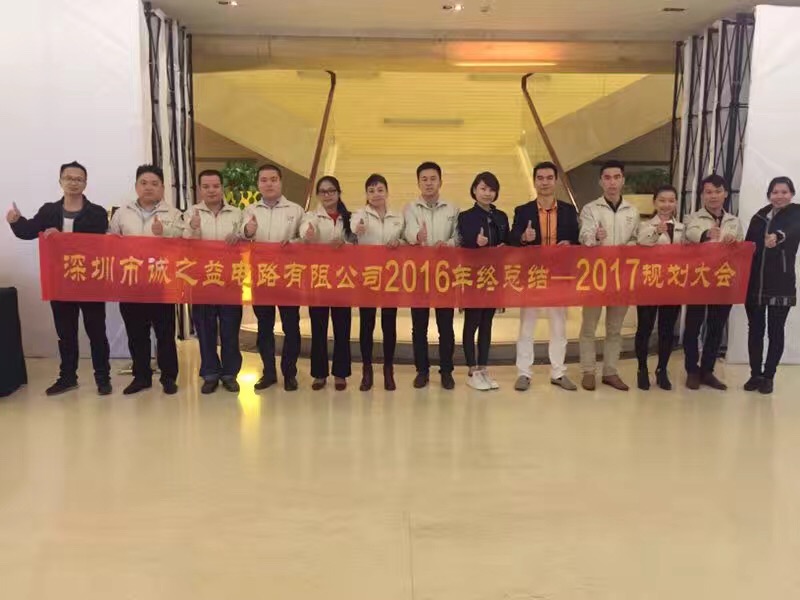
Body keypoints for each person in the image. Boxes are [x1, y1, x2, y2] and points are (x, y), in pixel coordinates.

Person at [7, 161, 111, 396]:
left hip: (90, 282)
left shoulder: (96, 212)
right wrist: (15, 221)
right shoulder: (49, 211)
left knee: (97, 332)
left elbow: (95, 243)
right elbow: (29, 231)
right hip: (60, 282)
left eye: (78, 179)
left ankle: (103, 378)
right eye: (69, 178)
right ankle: (67, 377)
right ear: (60, 181)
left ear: (85, 183)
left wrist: (61, 236)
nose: (73, 182)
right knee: (66, 334)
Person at [109, 164, 183, 395]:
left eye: (154, 183)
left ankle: (168, 378)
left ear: (162, 188)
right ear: (136, 186)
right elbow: (110, 241)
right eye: (144, 183)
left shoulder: (173, 214)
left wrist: (165, 234)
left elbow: (184, 243)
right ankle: (141, 377)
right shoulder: (122, 213)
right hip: (131, 282)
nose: (148, 187)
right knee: (136, 333)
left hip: (161, 281)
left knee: (165, 333)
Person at [510, 161, 579, 393]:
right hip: (533, 276)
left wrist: (569, 243)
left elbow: (577, 240)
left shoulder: (569, 210)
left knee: (558, 326)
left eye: (549, 178)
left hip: (558, 276)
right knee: (527, 326)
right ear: (534, 181)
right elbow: (512, 240)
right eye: (540, 178)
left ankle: (558, 373)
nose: (545, 182)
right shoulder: (523, 211)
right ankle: (523, 373)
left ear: (556, 181)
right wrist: (523, 237)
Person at [578, 160, 640, 391]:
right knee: (589, 327)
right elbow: (583, 236)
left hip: (621, 277)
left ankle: (610, 371)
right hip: (595, 276)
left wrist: (629, 248)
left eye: (616, 177)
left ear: (623, 180)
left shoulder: (632, 211)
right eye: (607, 177)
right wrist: (595, 237)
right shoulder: (590, 209)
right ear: (600, 182)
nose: (612, 182)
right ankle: (588, 371)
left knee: (615, 329)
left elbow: (636, 238)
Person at [241, 164, 304, 392]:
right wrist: (248, 230)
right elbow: (241, 236)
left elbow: (305, 239)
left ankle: (289, 373)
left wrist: (295, 242)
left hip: (289, 277)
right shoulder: (250, 210)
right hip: (262, 276)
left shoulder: (295, 210)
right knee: (264, 327)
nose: (269, 184)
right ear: (258, 184)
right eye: (264, 180)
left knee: (291, 327)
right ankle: (268, 372)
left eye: (273, 179)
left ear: (280, 182)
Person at [184, 169, 243, 394]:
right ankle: (210, 373)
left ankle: (229, 374)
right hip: (202, 281)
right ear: (200, 189)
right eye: (206, 187)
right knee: (205, 330)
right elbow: (183, 243)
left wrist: (241, 236)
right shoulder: (191, 213)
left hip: (230, 280)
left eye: (216, 186)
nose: (211, 190)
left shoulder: (237, 213)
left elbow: (249, 240)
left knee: (230, 329)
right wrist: (193, 228)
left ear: (222, 188)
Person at [683, 174, 744, 390]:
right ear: (702, 195)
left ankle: (707, 370)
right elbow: (689, 236)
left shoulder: (734, 221)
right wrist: (706, 233)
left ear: (726, 193)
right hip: (698, 279)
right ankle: (692, 370)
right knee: (693, 327)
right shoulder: (691, 218)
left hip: (722, 281)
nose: (713, 196)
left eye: (718, 192)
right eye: (708, 192)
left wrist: (734, 242)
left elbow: (742, 251)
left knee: (716, 327)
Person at [403, 161, 460, 390]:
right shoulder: (411, 208)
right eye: (424, 179)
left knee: (446, 326)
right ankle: (422, 371)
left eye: (433, 179)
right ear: (418, 183)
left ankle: (446, 371)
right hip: (419, 275)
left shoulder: (452, 209)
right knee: (419, 327)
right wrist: (418, 236)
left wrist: (448, 244)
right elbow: (407, 232)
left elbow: (459, 236)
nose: (429, 183)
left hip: (444, 276)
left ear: (440, 182)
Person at [743, 176, 800, 394]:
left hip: (781, 282)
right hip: (755, 282)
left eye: (784, 192)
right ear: (769, 195)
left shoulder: (796, 213)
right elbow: (748, 246)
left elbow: (793, 230)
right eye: (775, 192)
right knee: (755, 330)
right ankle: (755, 374)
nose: (779, 196)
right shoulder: (759, 217)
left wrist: (777, 236)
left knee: (776, 331)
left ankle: (769, 376)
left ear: (791, 194)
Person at [300, 176, 355, 391]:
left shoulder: (350, 218)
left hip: (343, 280)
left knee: (342, 328)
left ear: (338, 193)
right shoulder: (311, 216)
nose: (327, 195)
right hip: (319, 280)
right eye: (323, 191)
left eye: (331, 191)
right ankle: (319, 373)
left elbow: (358, 245)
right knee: (318, 328)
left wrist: (345, 243)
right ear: (318, 195)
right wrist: (308, 234)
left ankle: (341, 373)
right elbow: (304, 233)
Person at [352, 174, 404, 391]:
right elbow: (354, 228)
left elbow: (406, 240)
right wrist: (358, 228)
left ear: (387, 192)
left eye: (380, 190)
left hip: (391, 277)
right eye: (371, 191)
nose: (376, 194)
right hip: (368, 277)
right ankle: (367, 370)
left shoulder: (397, 216)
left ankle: (388, 370)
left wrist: (399, 241)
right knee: (367, 324)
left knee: (389, 324)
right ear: (366, 194)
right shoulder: (360, 214)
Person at [457, 172, 508, 391]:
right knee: (472, 323)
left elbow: (508, 242)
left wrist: (509, 245)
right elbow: (462, 243)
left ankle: (484, 367)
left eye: (491, 189)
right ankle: (472, 370)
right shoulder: (466, 216)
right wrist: (475, 242)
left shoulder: (501, 217)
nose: (487, 193)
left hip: (493, 277)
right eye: (483, 189)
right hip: (473, 278)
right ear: (474, 190)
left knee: (487, 323)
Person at [634, 185, 685, 391]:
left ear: (676, 203)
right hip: (649, 283)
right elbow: (641, 242)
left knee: (667, 329)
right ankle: (642, 368)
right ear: (654, 203)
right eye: (662, 200)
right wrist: (656, 232)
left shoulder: (681, 227)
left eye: (671, 201)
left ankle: (662, 369)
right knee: (645, 328)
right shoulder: (645, 225)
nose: (666, 205)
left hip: (672, 284)